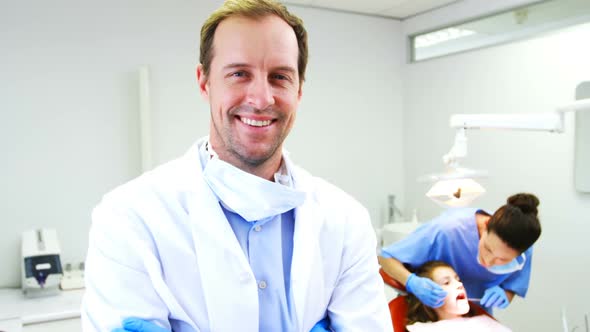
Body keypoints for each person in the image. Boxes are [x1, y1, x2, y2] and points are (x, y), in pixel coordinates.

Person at [81, 1, 392, 331]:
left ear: (299, 89)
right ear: (205, 82)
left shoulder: (345, 221)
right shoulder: (130, 217)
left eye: (279, 77)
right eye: (239, 74)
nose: (261, 99)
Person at [379, 193, 541, 314]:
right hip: (431, 314)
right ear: (485, 224)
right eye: (488, 249)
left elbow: (513, 284)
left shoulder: (523, 245)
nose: (488, 262)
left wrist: (506, 294)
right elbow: (385, 257)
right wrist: (411, 282)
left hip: (476, 317)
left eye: (503, 260)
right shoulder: (447, 230)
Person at [403, 260, 512, 332]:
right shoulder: (422, 329)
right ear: (427, 296)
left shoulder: (485, 322)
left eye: (458, 280)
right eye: (446, 283)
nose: (459, 285)